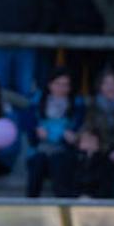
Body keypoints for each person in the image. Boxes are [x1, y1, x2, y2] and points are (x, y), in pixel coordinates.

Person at [23, 67, 87, 197]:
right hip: (39, 150)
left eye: (65, 85)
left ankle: (63, 209)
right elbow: (29, 126)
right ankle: (30, 206)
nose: (61, 88)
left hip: (63, 151)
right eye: (57, 84)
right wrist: (36, 132)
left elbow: (75, 131)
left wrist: (62, 136)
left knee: (59, 162)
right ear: (50, 85)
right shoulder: (36, 101)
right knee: (37, 163)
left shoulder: (77, 105)